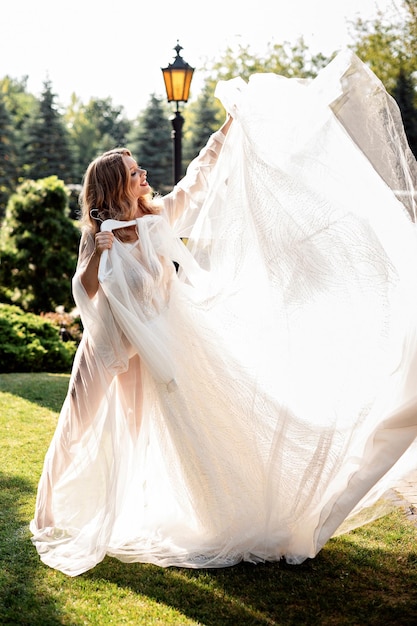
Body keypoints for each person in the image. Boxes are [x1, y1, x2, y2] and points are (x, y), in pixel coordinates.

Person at [31, 50, 417, 577]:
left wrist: (230, 128)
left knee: (147, 433)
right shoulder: (99, 233)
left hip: (156, 351)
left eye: (140, 169)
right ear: (114, 187)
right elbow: (85, 289)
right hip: (107, 349)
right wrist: (98, 248)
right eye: (133, 171)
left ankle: (136, 511)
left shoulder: (156, 217)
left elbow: (197, 180)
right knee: (77, 424)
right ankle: (45, 513)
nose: (143, 173)